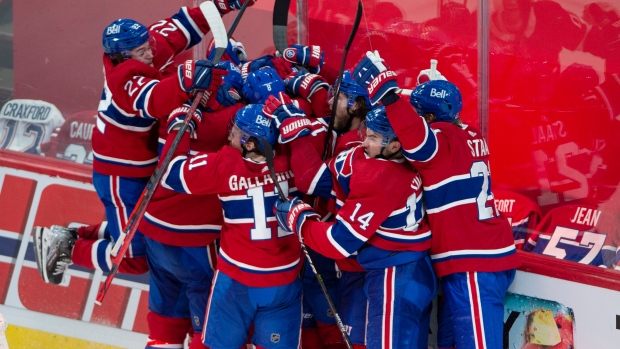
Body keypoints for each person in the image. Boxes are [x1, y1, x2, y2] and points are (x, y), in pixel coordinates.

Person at [31, 2, 247, 284]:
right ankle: (69, 250)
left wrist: (221, 5)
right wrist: (187, 79)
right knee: (134, 258)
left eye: (148, 46)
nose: (150, 53)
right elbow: (154, 99)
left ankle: (71, 235)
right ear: (121, 57)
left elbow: (183, 24)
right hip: (120, 176)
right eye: (141, 52)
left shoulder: (145, 45)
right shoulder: (124, 79)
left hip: (142, 165)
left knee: (143, 231)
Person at [350, 51, 520, 349]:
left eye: (418, 113)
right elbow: (436, 114)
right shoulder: (467, 130)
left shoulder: (439, 140)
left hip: (473, 263)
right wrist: (421, 90)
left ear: (429, 119)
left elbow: (417, 138)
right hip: (481, 255)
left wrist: (389, 95)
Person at [274, 105, 436, 349]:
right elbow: (316, 178)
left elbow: (338, 242)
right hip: (415, 268)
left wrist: (300, 221)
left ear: (394, 146)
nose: (364, 144)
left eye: (373, 138)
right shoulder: (411, 160)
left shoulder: (381, 177)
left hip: (395, 277)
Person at [159, 103, 303, 349]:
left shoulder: (224, 164)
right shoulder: (294, 157)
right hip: (283, 281)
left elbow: (170, 173)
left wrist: (180, 125)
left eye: (235, 132)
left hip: (237, 280)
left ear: (248, 143)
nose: (228, 136)